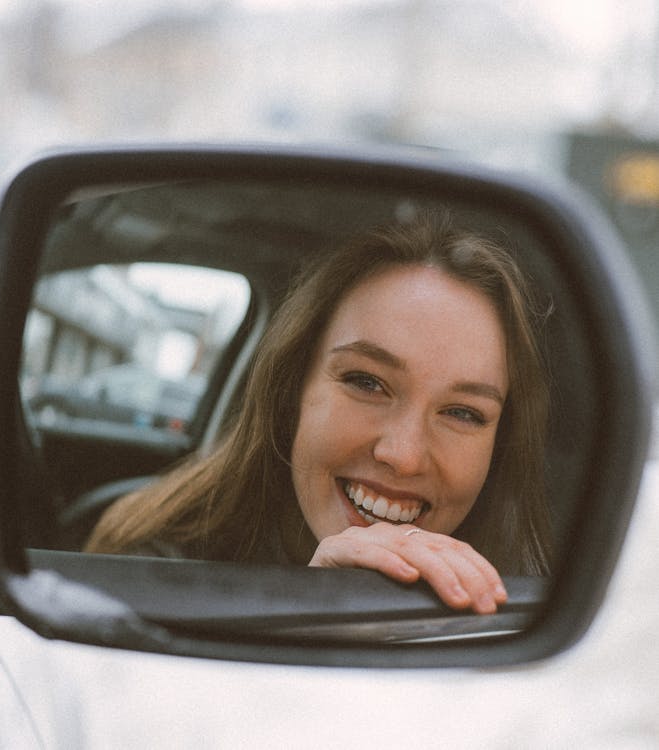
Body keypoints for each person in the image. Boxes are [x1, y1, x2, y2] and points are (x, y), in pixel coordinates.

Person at [84, 214, 553, 614]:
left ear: (501, 445)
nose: (403, 456)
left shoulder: (530, 596)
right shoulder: (153, 561)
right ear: (291, 389)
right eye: (367, 383)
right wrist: (316, 601)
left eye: (463, 413)